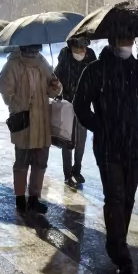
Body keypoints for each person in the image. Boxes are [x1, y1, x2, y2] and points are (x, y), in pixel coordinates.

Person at [73, 35, 138, 274]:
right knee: (115, 196)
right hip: (109, 145)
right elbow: (80, 105)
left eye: (129, 39)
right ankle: (119, 249)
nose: (126, 44)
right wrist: (100, 126)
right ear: (112, 41)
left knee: (128, 199)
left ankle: (119, 241)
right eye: (122, 39)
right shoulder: (96, 70)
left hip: (135, 143)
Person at [0, 44, 62, 213]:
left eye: (36, 48)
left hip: (42, 120)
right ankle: (20, 199)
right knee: (22, 162)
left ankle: (34, 198)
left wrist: (55, 87)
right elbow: (3, 88)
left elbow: (52, 88)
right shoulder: (13, 64)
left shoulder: (42, 62)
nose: (34, 51)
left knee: (40, 162)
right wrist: (15, 104)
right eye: (31, 48)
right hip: (23, 120)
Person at [54, 39, 95, 187]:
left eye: (84, 48)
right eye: (79, 49)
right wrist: (57, 89)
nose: (82, 52)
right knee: (67, 140)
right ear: (71, 48)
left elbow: (95, 79)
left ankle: (77, 169)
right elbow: (55, 80)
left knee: (81, 141)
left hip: (83, 105)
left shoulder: (90, 58)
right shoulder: (64, 59)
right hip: (68, 105)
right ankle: (67, 174)